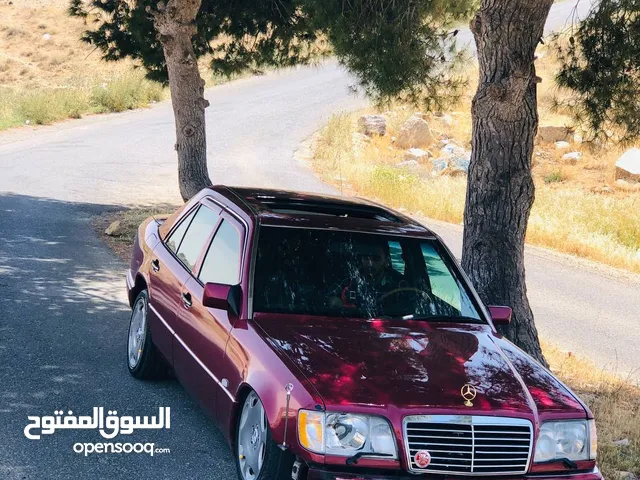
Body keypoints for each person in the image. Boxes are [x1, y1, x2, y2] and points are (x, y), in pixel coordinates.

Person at [327, 241, 406, 311]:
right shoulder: (351, 279)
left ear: (387, 261)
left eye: (376, 259)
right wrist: (338, 302)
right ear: (361, 259)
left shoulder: (399, 284)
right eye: (366, 258)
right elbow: (329, 297)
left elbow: (409, 307)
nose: (370, 264)